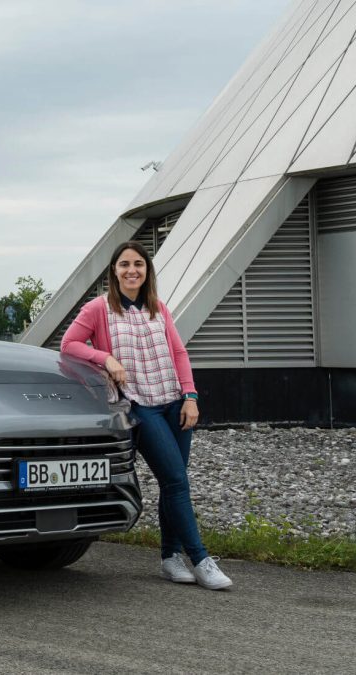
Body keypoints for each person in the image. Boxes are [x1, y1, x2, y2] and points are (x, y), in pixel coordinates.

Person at [61, 241, 232, 590]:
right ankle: (201, 559)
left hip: (175, 402)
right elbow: (69, 344)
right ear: (114, 271)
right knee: (176, 481)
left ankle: (170, 557)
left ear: (146, 271)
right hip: (140, 404)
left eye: (138, 264)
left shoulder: (158, 306)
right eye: (124, 264)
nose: (132, 270)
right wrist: (105, 359)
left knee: (174, 482)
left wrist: (190, 397)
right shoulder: (98, 308)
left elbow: (179, 353)